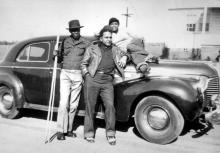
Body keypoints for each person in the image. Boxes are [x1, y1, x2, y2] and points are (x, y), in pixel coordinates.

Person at [81, 25, 129, 145]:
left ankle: (111, 133)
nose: (109, 39)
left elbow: (127, 54)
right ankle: (89, 134)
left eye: (110, 37)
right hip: (93, 79)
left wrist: (124, 57)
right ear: (101, 38)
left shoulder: (115, 48)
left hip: (108, 81)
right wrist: (87, 75)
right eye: (106, 37)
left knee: (110, 107)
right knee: (90, 107)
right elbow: (83, 64)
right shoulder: (92, 48)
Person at [54, 19, 90, 140]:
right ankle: (60, 130)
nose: (75, 31)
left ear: (80, 30)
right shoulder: (64, 42)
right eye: (73, 30)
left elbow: (92, 57)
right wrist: (56, 54)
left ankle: (69, 130)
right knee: (63, 103)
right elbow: (59, 59)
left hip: (78, 75)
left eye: (77, 29)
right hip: (65, 74)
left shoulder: (86, 43)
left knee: (73, 105)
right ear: (70, 31)